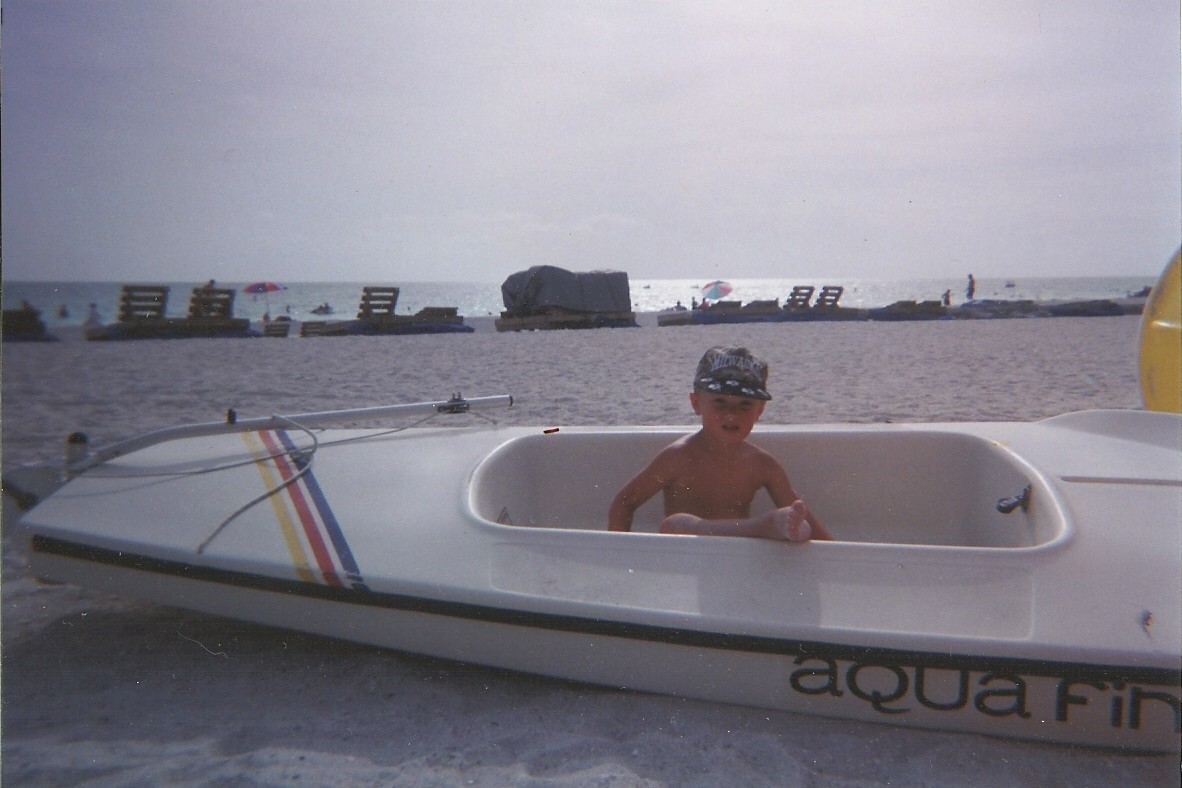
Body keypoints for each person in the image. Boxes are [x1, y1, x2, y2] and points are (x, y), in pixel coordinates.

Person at [608, 346, 832, 542]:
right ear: (696, 404)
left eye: (744, 405)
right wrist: (620, 556)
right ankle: (766, 526)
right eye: (720, 402)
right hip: (689, 555)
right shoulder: (678, 457)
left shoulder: (763, 464)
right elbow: (625, 501)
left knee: (790, 521)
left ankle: (769, 526)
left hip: (736, 557)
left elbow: (800, 516)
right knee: (676, 525)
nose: (731, 414)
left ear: (760, 411)